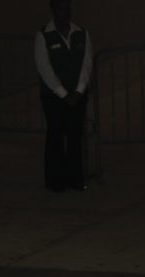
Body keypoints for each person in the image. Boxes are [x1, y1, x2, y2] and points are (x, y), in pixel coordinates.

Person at [34, 0, 93, 192]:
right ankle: (55, 180)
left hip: (77, 94)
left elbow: (86, 63)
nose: (65, 13)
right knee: (56, 135)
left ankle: (75, 178)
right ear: (53, 10)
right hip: (53, 97)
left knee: (75, 136)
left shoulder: (81, 34)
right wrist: (62, 93)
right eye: (60, 9)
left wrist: (78, 91)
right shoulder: (43, 36)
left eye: (67, 8)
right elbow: (44, 69)